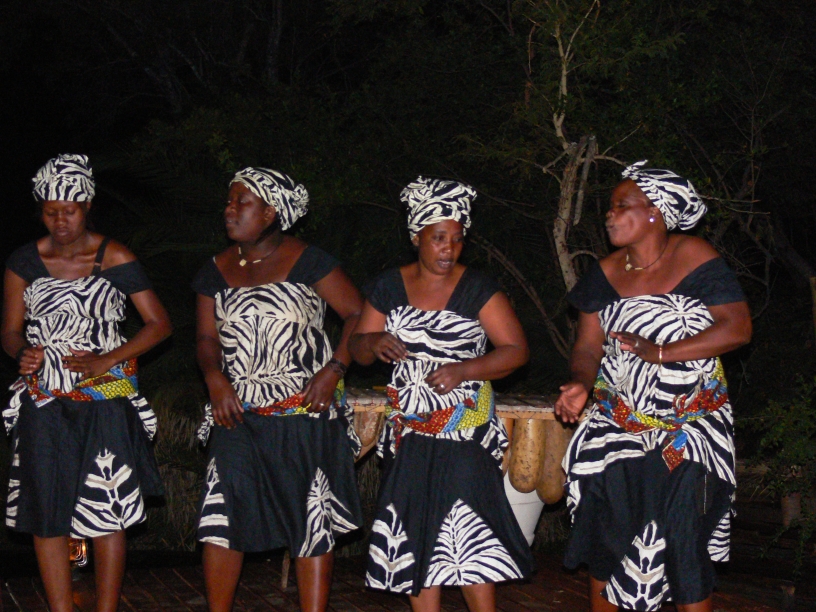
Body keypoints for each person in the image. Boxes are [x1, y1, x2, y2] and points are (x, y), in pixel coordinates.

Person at [555, 161, 752, 612]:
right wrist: (580, 383)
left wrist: (661, 351)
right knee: (610, 535)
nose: (609, 214)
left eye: (621, 205)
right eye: (609, 206)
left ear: (654, 212)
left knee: (683, 539)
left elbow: (737, 327)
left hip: (690, 427)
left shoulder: (693, 255)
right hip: (618, 427)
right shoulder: (605, 272)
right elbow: (588, 345)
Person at [350, 177, 534, 612]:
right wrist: (373, 342)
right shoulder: (388, 286)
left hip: (464, 432)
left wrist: (464, 369)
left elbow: (516, 351)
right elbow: (357, 347)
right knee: (415, 534)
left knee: (470, 534)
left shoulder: (478, 288)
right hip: (410, 433)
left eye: (457, 239)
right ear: (416, 237)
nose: (449, 249)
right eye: (438, 238)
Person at [1, 154, 172, 612]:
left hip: (104, 397)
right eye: (50, 211)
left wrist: (107, 360)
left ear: (88, 206)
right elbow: (10, 330)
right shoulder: (23, 261)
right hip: (44, 398)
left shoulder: (114, 257)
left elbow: (159, 324)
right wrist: (22, 353)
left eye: (69, 210)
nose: (60, 220)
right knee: (47, 511)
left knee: (106, 510)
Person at [193, 167, 364, 612]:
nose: (230, 209)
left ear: (270, 213)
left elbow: (358, 314)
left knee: (310, 518)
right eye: (229, 201)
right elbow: (207, 338)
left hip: (301, 410)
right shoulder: (215, 269)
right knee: (221, 516)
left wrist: (334, 369)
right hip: (237, 412)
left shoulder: (309, 260)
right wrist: (214, 378)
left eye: (242, 202)